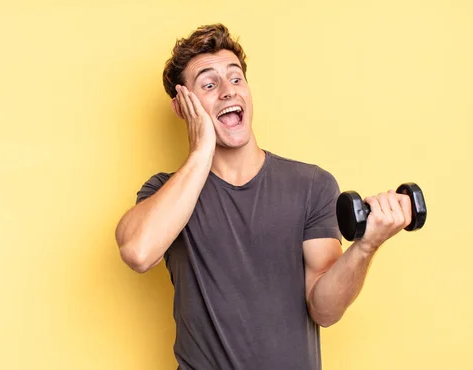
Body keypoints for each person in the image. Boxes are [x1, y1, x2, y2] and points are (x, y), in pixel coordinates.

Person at [115, 23, 413, 370]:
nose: (228, 91)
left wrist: (366, 246)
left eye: (236, 78)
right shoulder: (164, 192)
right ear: (182, 107)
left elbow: (325, 310)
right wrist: (200, 152)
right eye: (209, 84)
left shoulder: (311, 185)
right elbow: (138, 252)